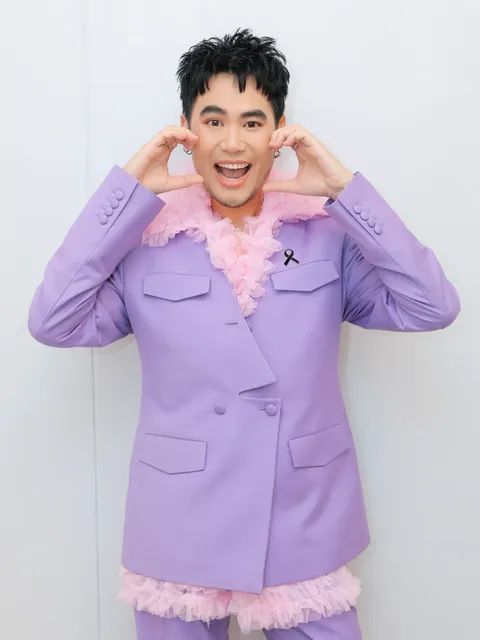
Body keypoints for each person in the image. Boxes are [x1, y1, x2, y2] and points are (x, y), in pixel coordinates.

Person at [28, 27, 460, 640]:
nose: (232, 143)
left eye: (252, 122)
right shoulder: (145, 239)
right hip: (179, 524)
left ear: (279, 133)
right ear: (186, 130)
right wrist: (124, 196)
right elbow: (53, 320)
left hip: (302, 516)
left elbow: (432, 306)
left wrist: (346, 193)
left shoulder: (325, 234)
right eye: (214, 120)